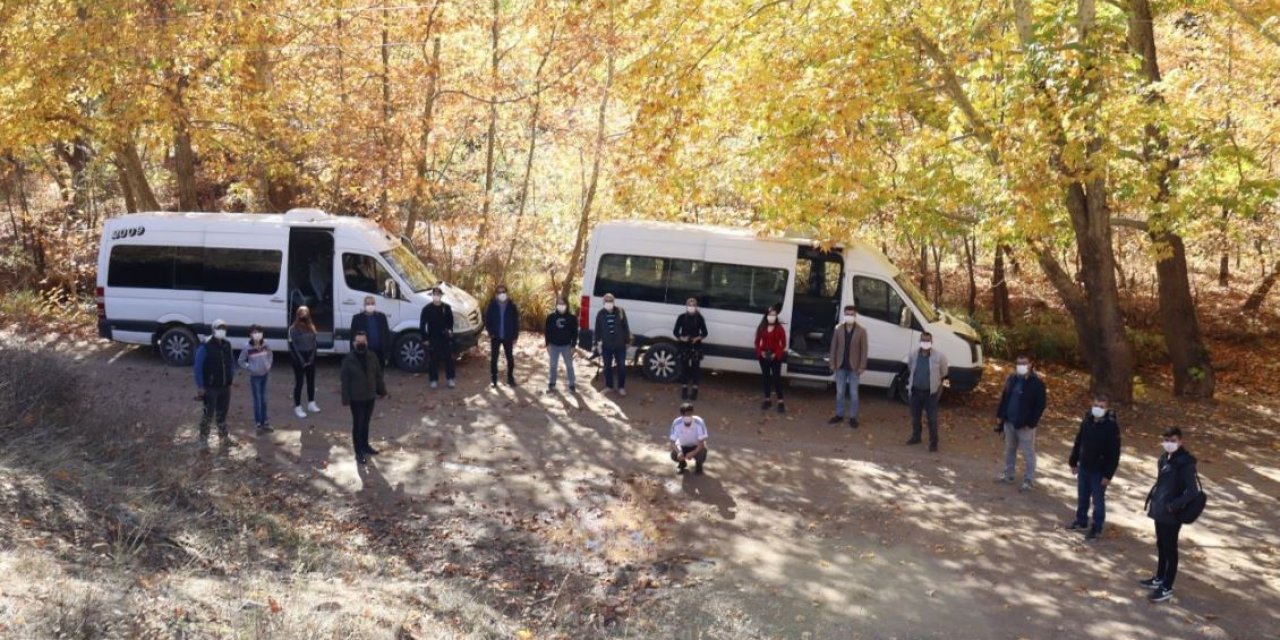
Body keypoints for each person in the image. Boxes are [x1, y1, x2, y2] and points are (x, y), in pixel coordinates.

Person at [1142, 427, 1201, 602]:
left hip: (1172, 514)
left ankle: (1167, 586)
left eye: (1173, 440)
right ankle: (1159, 577)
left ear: (1180, 441)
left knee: (1170, 548)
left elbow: (1192, 491)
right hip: (1160, 510)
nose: (1169, 443)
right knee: (1161, 544)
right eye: (1166, 440)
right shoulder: (1164, 458)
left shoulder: (1185, 463)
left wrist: (1173, 506)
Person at [1067, 394, 1121, 541]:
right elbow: (1079, 441)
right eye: (1096, 405)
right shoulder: (1087, 420)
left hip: (1099, 470)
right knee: (1082, 496)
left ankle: (1097, 528)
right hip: (1084, 466)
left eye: (1101, 406)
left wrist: (1108, 475)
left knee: (1098, 500)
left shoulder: (1111, 426)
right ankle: (1081, 520)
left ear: (1107, 408)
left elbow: (1114, 453)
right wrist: (1073, 461)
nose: (1098, 408)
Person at [995, 355, 1047, 491]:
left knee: (1028, 452)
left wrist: (1031, 422)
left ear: (1030, 364)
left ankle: (1029, 480)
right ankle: (1008, 475)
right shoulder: (1011, 379)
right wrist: (1000, 416)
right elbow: (1005, 397)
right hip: (1009, 421)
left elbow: (1040, 406)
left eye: (1024, 363)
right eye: (1018, 363)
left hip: (1025, 426)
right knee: (1009, 449)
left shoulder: (1037, 383)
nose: (1021, 366)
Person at [340, 330, 388, 465]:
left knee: (366, 422)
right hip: (356, 398)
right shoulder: (348, 360)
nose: (361, 343)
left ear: (367, 342)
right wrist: (346, 399)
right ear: (354, 343)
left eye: (363, 341)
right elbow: (345, 381)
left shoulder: (372, 357)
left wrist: (382, 391)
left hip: (370, 396)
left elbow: (378, 376)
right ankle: (358, 451)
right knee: (358, 424)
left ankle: (365, 445)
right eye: (358, 341)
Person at [194, 319, 236, 443]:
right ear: (213, 330)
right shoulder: (205, 346)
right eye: (219, 328)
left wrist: (231, 375)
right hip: (210, 387)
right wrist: (200, 386)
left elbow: (231, 362)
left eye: (223, 329)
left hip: (225, 386)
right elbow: (198, 367)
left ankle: (223, 436)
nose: (221, 331)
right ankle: (203, 437)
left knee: (222, 412)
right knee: (208, 413)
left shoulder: (227, 344)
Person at [906, 332, 948, 451]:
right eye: (923, 340)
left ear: (931, 342)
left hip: (930, 393)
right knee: (915, 417)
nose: (925, 343)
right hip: (915, 391)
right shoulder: (913, 354)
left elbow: (944, 372)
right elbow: (910, 367)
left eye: (927, 340)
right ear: (920, 341)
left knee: (932, 419)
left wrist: (938, 388)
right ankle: (916, 436)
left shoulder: (939, 356)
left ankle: (933, 442)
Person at [827, 305, 868, 427]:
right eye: (847, 314)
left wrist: (862, 366)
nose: (849, 316)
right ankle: (839, 414)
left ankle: (853, 417)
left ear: (855, 316)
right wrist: (832, 363)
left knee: (853, 393)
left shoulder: (861, 331)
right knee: (840, 392)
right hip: (840, 366)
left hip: (854, 367)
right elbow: (833, 347)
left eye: (851, 314)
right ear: (844, 315)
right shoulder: (838, 329)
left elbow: (864, 350)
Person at [237, 324, 274, 434]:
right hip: (255, 377)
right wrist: (250, 367)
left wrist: (268, 365)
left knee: (264, 400)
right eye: (254, 332)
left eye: (259, 332)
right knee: (257, 400)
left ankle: (265, 422)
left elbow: (270, 355)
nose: (257, 334)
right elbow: (241, 361)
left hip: (264, 375)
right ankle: (258, 424)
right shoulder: (247, 347)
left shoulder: (266, 345)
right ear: (250, 334)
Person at [594, 293, 631, 396]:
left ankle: (621, 387)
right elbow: (597, 330)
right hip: (606, 345)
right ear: (603, 302)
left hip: (620, 344)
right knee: (607, 366)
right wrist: (596, 343)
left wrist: (627, 341)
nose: (609, 302)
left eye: (610, 300)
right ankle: (609, 386)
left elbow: (625, 327)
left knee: (622, 367)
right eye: (606, 300)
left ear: (614, 302)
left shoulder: (620, 311)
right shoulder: (600, 314)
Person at [418, 286, 456, 389]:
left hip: (445, 337)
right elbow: (422, 325)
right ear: (432, 295)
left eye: (438, 294)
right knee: (432, 360)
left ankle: (450, 379)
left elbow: (450, 322)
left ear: (441, 295)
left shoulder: (446, 308)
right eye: (434, 294)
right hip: (432, 337)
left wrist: (450, 331)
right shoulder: (426, 309)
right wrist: (425, 338)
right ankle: (433, 380)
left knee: (448, 359)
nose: (436, 296)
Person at [673, 297, 708, 401]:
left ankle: (695, 389)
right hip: (684, 346)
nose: (691, 307)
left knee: (695, 368)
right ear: (686, 306)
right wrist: (682, 338)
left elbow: (705, 333)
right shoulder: (681, 317)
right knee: (684, 368)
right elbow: (675, 331)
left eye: (693, 305)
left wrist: (697, 338)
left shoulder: (700, 318)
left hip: (695, 346)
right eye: (689, 305)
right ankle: (684, 388)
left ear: (696, 306)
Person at [289, 306, 321, 418]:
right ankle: (297, 406)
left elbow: (314, 343)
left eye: (306, 313)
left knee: (311, 381)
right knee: (299, 382)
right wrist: (301, 359)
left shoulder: (311, 327)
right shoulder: (293, 329)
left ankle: (311, 403)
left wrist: (312, 357)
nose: (304, 315)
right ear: (297, 314)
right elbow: (293, 346)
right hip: (299, 358)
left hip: (310, 356)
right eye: (302, 313)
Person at [484, 283, 519, 387]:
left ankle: (510, 378)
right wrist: (490, 333)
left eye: (503, 292)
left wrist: (515, 336)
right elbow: (487, 320)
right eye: (499, 292)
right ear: (496, 294)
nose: (501, 294)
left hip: (508, 336)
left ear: (506, 293)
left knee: (510, 358)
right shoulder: (492, 305)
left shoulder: (512, 306)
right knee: (494, 359)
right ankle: (494, 380)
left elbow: (516, 322)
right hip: (496, 336)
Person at [755, 307, 787, 413]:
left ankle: (780, 401)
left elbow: (783, 344)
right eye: (770, 314)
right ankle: (767, 399)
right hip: (764, 356)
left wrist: (775, 354)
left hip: (775, 357)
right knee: (766, 378)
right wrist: (761, 353)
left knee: (777, 379)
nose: (772, 317)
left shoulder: (779, 328)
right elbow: (757, 342)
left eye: (774, 315)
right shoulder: (762, 327)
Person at [544, 296, 578, 393]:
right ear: (556, 305)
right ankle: (552, 384)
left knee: (569, 365)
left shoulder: (572, 318)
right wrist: (547, 344)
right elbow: (547, 331)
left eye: (563, 304)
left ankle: (572, 384)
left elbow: (575, 333)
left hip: (566, 346)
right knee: (553, 365)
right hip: (554, 345)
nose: (561, 306)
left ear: (567, 305)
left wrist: (573, 346)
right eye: (559, 303)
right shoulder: (551, 317)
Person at [349, 295, 391, 369]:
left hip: (379, 352)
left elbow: (386, 335)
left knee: (379, 375)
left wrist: (387, 355)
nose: (370, 305)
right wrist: (354, 355)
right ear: (364, 305)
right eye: (368, 304)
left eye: (372, 303)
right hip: (365, 352)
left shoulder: (381, 317)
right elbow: (352, 337)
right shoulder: (357, 318)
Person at [669, 402, 709, 475]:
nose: (687, 416)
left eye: (689, 414)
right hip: (682, 445)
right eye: (685, 414)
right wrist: (679, 452)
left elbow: (702, 441)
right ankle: (682, 464)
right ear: (681, 415)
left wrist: (694, 452)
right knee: (674, 454)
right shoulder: (676, 423)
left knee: (702, 452)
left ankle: (699, 465)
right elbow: (672, 441)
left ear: (692, 413)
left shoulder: (699, 422)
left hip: (696, 446)